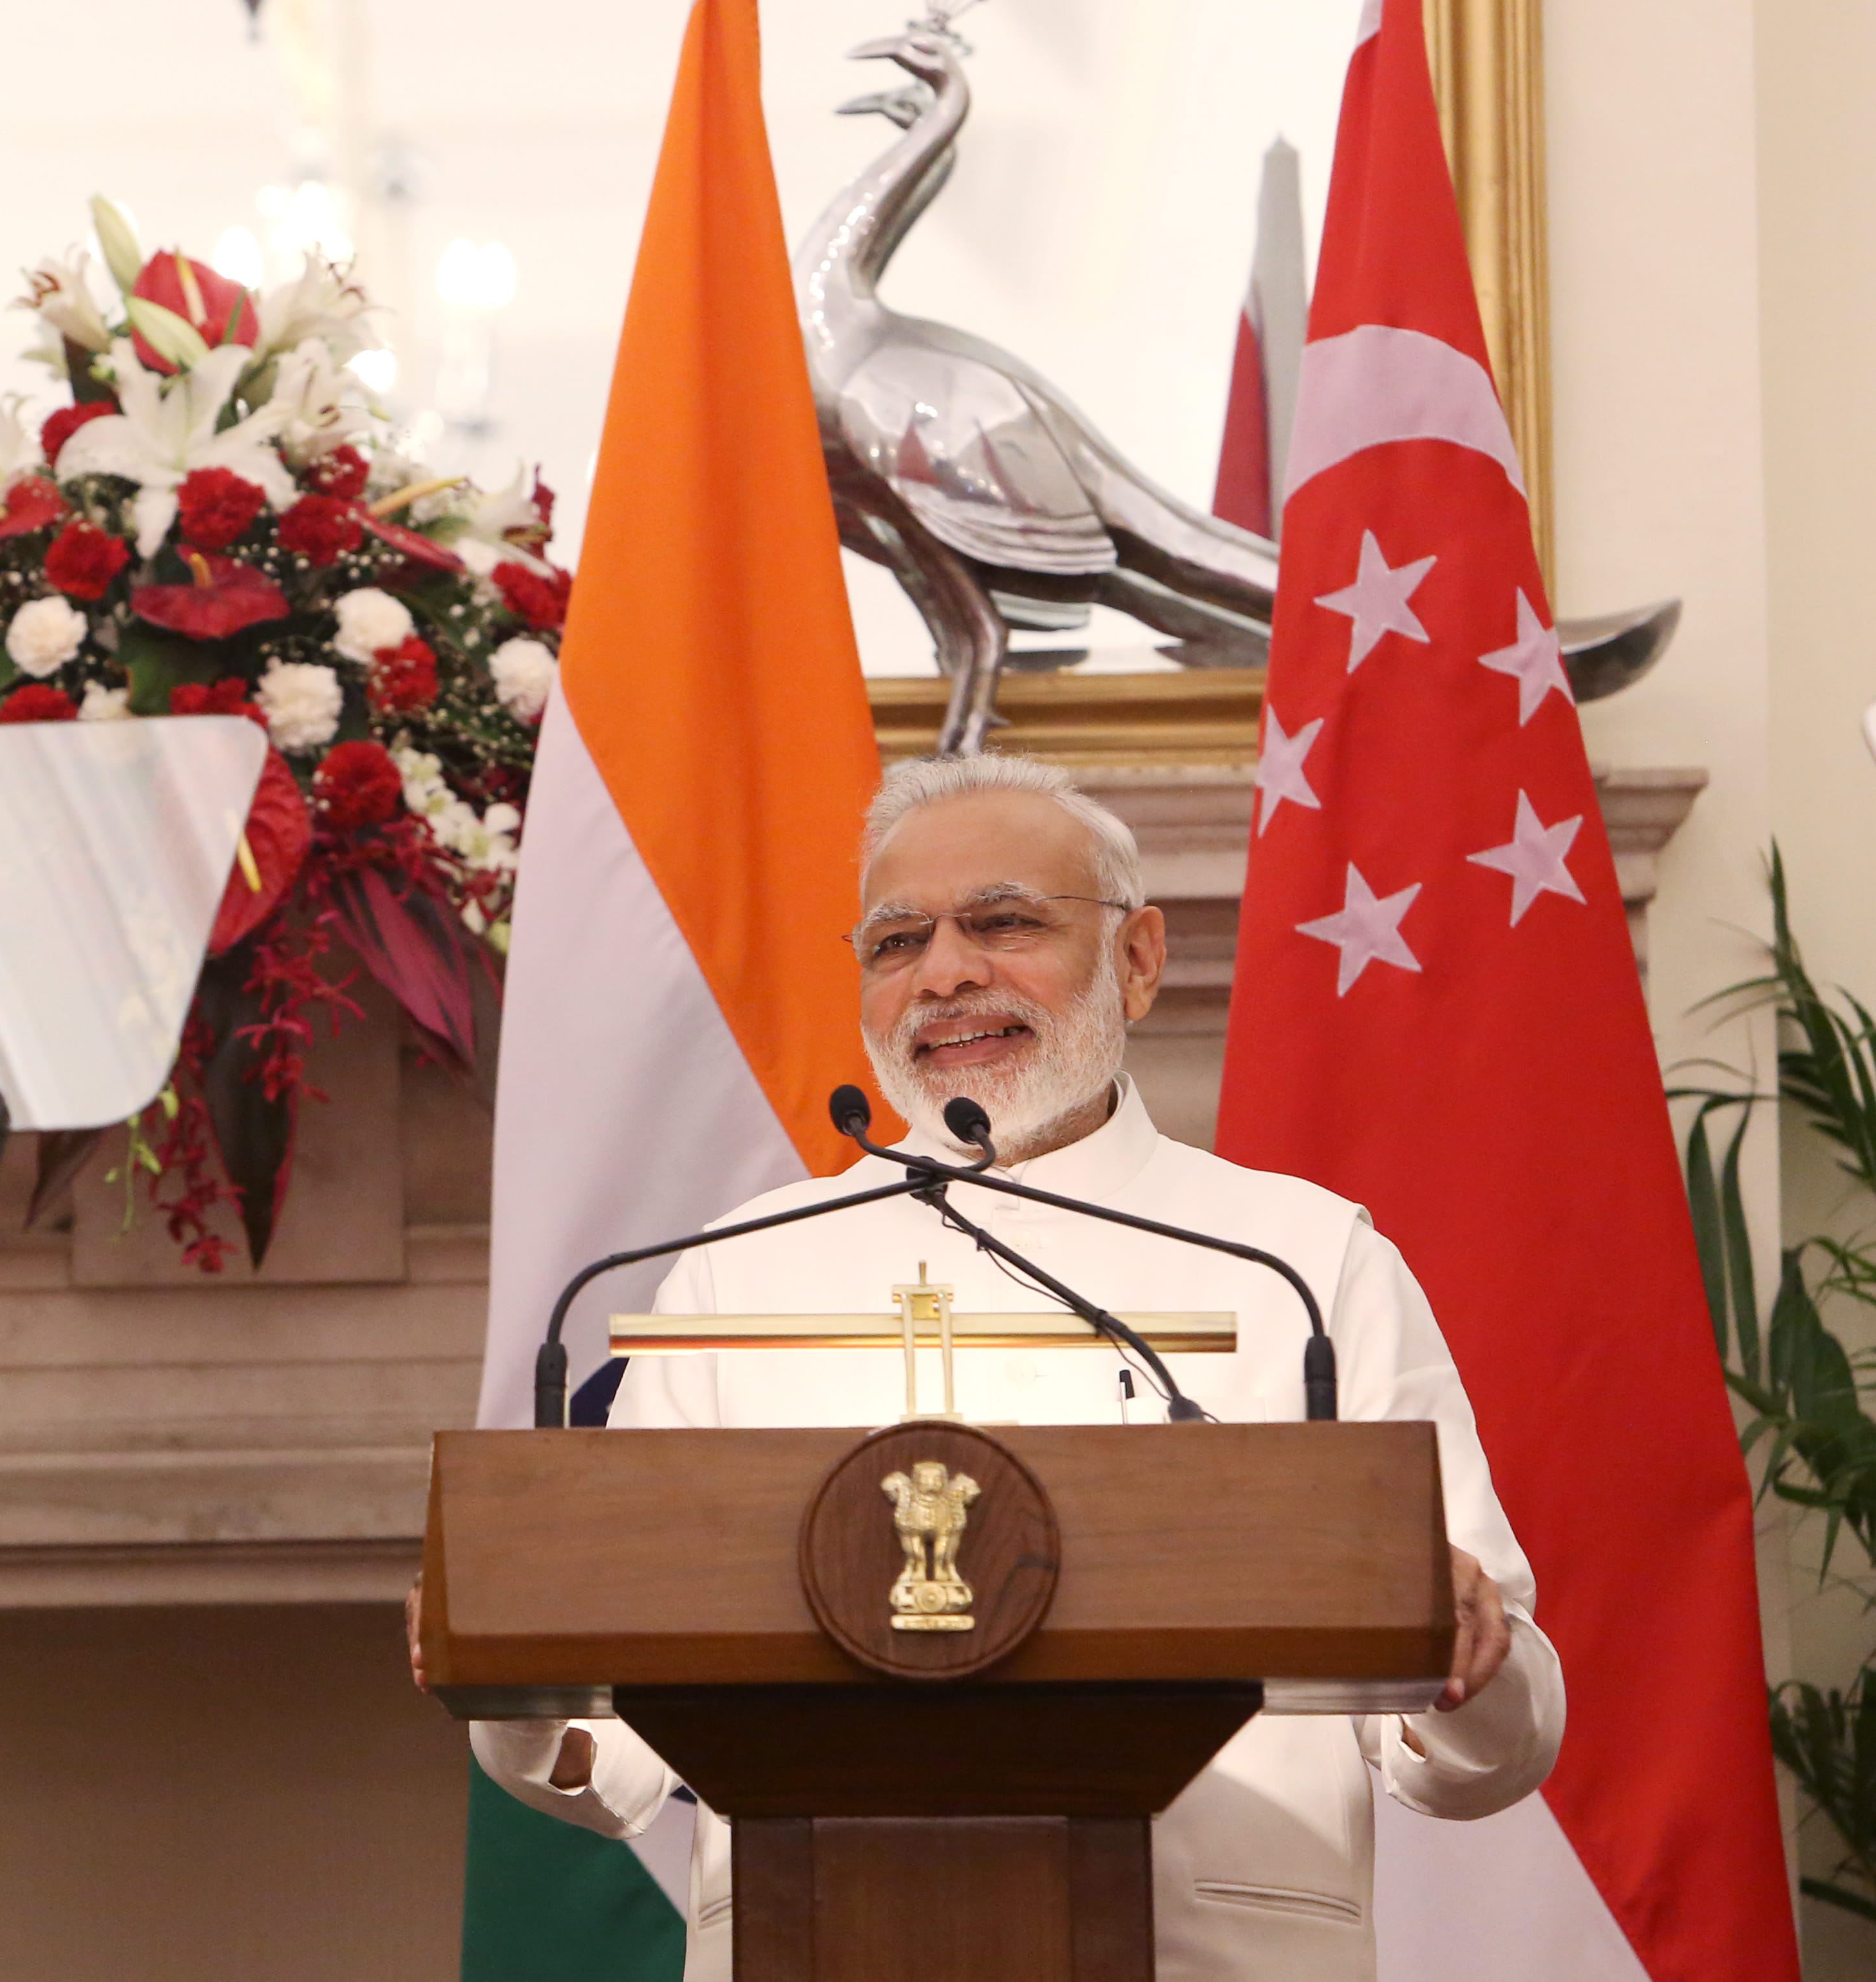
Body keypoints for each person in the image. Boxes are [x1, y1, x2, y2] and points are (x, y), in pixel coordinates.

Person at [431, 752, 1563, 1982]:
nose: (946, 973)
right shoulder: (735, 1275)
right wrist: (523, 1679)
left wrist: (1466, 1663)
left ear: (1134, 959)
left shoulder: (1300, 1260)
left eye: (1003, 922)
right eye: (897, 941)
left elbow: (1480, 1737)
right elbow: (617, 1768)